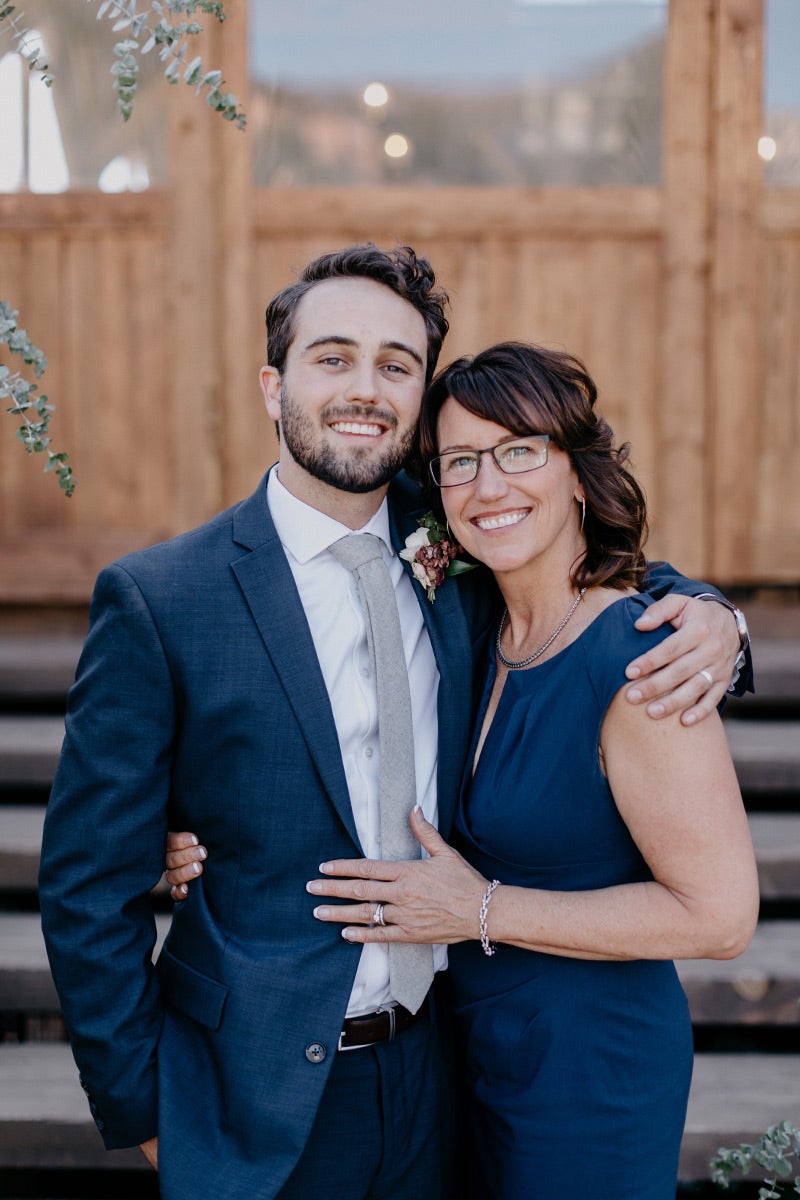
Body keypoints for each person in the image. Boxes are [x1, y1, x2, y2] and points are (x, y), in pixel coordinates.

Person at [40, 246, 749, 1200]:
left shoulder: (459, 538)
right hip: (252, 1104)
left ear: (418, 399)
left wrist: (718, 618)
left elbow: (591, 566)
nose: (363, 388)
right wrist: (144, 1114)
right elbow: (87, 888)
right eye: (332, 357)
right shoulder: (162, 599)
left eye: (396, 365)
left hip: (446, 1071)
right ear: (272, 384)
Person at [295, 341, 760, 1200]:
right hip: (467, 1055)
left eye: (519, 451)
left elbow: (721, 917)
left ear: (579, 474)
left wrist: (475, 910)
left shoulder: (641, 655)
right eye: (461, 463)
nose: (489, 486)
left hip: (589, 1075)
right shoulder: (471, 627)